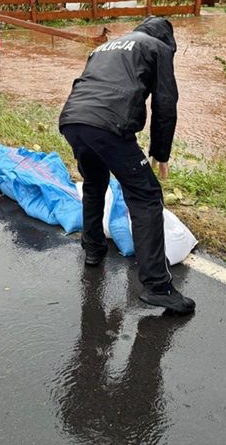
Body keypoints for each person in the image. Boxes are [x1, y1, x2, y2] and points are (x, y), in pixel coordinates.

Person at [58, 16, 195, 314]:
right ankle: (158, 287)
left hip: (72, 119)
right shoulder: (157, 47)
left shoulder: (106, 47)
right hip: (108, 125)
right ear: (168, 39)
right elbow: (165, 103)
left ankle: (93, 250)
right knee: (146, 195)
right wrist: (161, 153)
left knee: (95, 182)